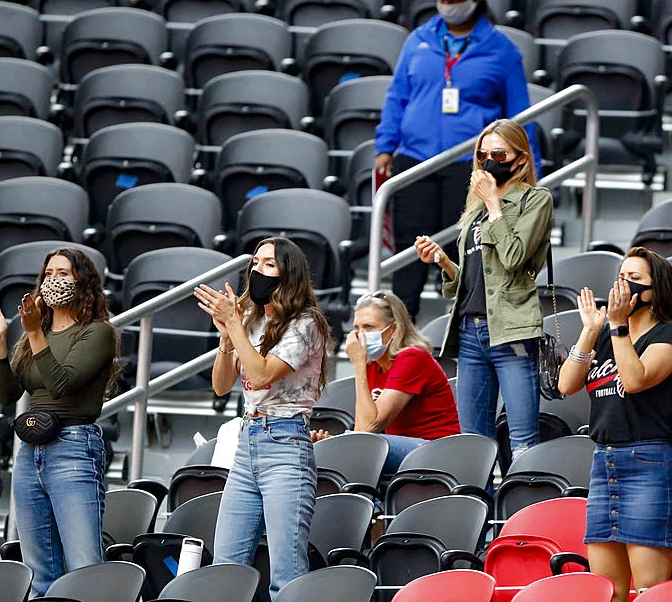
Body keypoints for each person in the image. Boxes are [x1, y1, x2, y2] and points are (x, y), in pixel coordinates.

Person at [375, 0, 540, 320]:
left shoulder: (501, 50)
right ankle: (403, 332)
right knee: (409, 251)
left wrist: (532, 168)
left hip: (472, 164)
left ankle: (466, 326)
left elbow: (519, 116)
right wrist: (385, 146)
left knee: (467, 247)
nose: (447, 1)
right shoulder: (418, 39)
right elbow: (397, 96)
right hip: (414, 159)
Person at [0, 247, 117, 597]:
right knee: (39, 571)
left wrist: (35, 333)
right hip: (31, 452)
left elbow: (62, 384)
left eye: (64, 274)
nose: (54, 280)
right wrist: (0, 343)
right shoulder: (37, 333)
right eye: (49, 274)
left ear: (83, 281)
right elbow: (8, 395)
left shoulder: (97, 333)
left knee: (83, 569)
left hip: (74, 448)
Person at [193, 237, 330, 600]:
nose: (258, 270)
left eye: (269, 264)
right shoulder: (252, 320)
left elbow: (263, 373)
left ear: (289, 274)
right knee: (226, 565)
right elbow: (221, 386)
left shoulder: (306, 323)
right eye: (255, 262)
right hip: (247, 440)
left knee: (286, 573)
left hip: (286, 445)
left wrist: (234, 325)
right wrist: (226, 337)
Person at [557, 247, 672, 602]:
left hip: (648, 461)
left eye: (635, 279)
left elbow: (634, 380)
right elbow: (566, 384)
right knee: (607, 591)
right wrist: (589, 332)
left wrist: (617, 328)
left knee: (649, 591)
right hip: (604, 461)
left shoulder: (671, 335)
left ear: (655, 290)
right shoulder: (605, 334)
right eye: (621, 276)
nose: (624, 285)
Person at [415, 118, 552, 461]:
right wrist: (445, 263)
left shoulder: (534, 200)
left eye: (499, 154)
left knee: (522, 441)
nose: (489, 161)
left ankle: (520, 512)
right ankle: (478, 512)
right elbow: (479, 277)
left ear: (520, 159)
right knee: (473, 443)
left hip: (512, 332)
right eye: (483, 154)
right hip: (470, 331)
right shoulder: (475, 207)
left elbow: (514, 257)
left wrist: (493, 204)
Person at [342, 290, 460, 477]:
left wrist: (358, 365)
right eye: (357, 328)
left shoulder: (413, 357)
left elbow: (369, 428)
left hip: (436, 449)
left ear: (394, 329)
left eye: (369, 327)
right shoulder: (373, 364)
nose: (360, 336)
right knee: (341, 447)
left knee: (358, 446)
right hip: (405, 447)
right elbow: (361, 430)